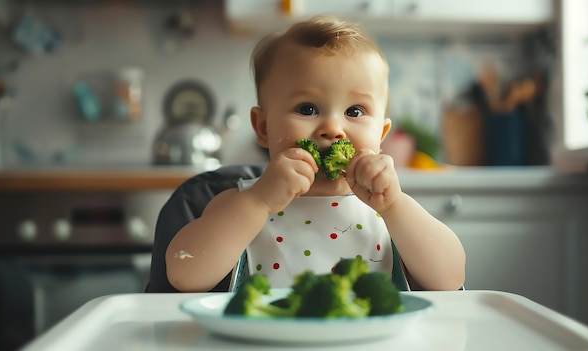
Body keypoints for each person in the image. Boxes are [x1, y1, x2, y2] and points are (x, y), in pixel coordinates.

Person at [165, 14, 465, 292]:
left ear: (381, 135)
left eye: (354, 111)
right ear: (264, 127)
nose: (333, 128)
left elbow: (451, 280)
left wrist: (396, 207)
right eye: (307, 109)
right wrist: (258, 201)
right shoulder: (239, 203)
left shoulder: (391, 211)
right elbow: (183, 275)